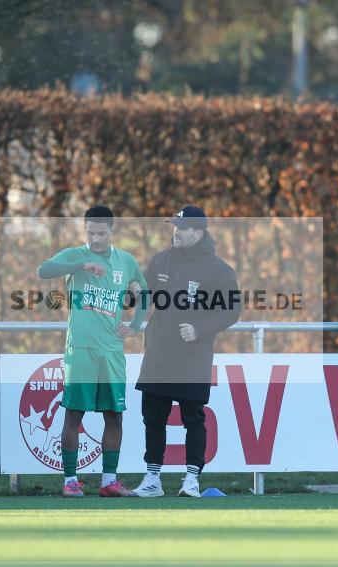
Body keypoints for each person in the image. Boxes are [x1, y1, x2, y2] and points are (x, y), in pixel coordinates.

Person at [37, 205, 147, 497]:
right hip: (81, 350)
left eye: (101, 232)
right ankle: (70, 481)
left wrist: (135, 325)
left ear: (112, 230)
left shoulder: (126, 261)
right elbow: (43, 270)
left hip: (111, 351)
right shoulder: (75, 255)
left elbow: (144, 293)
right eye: (90, 232)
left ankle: (109, 481)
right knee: (74, 415)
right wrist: (80, 266)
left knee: (114, 416)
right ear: (84, 230)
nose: (95, 238)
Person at [131, 206, 241, 497]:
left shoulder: (217, 269)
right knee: (153, 417)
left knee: (193, 417)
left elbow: (232, 310)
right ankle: (152, 480)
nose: (176, 231)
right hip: (158, 352)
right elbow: (143, 294)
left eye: (182, 227)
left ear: (199, 232)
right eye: (174, 226)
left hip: (193, 355)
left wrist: (200, 329)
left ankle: (191, 480)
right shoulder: (161, 260)